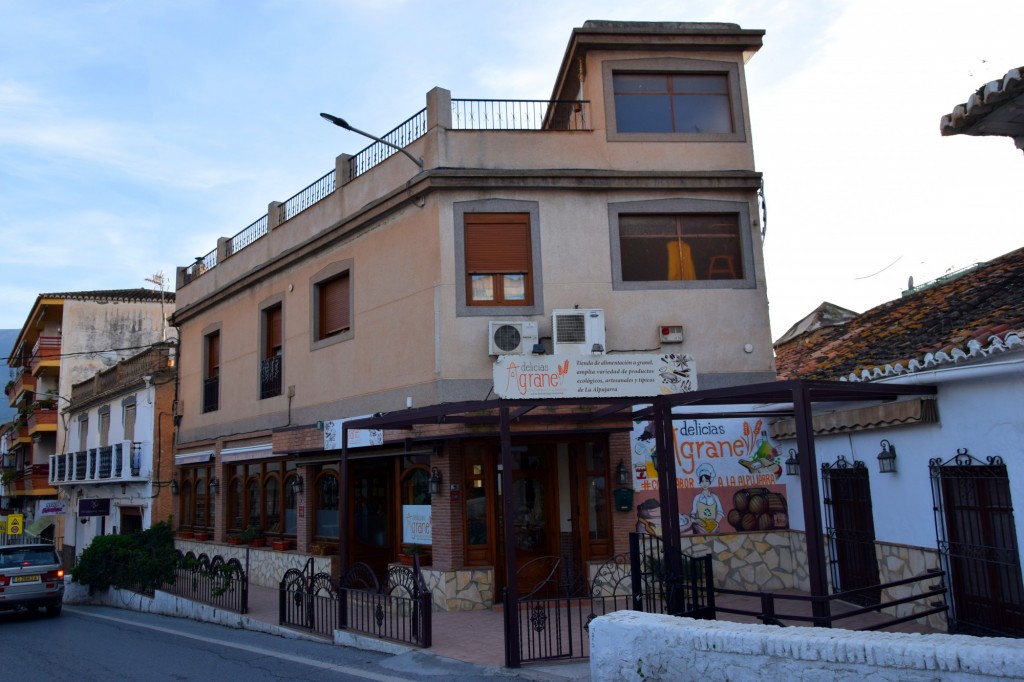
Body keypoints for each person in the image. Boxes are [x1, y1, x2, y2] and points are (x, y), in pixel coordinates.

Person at [690, 463, 724, 533]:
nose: (704, 484)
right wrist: (696, 521)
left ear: (710, 482)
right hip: (701, 525)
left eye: (707, 481)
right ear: (700, 483)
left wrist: (715, 523)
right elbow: (693, 514)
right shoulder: (697, 498)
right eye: (702, 481)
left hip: (713, 525)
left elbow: (720, 512)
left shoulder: (715, 497)